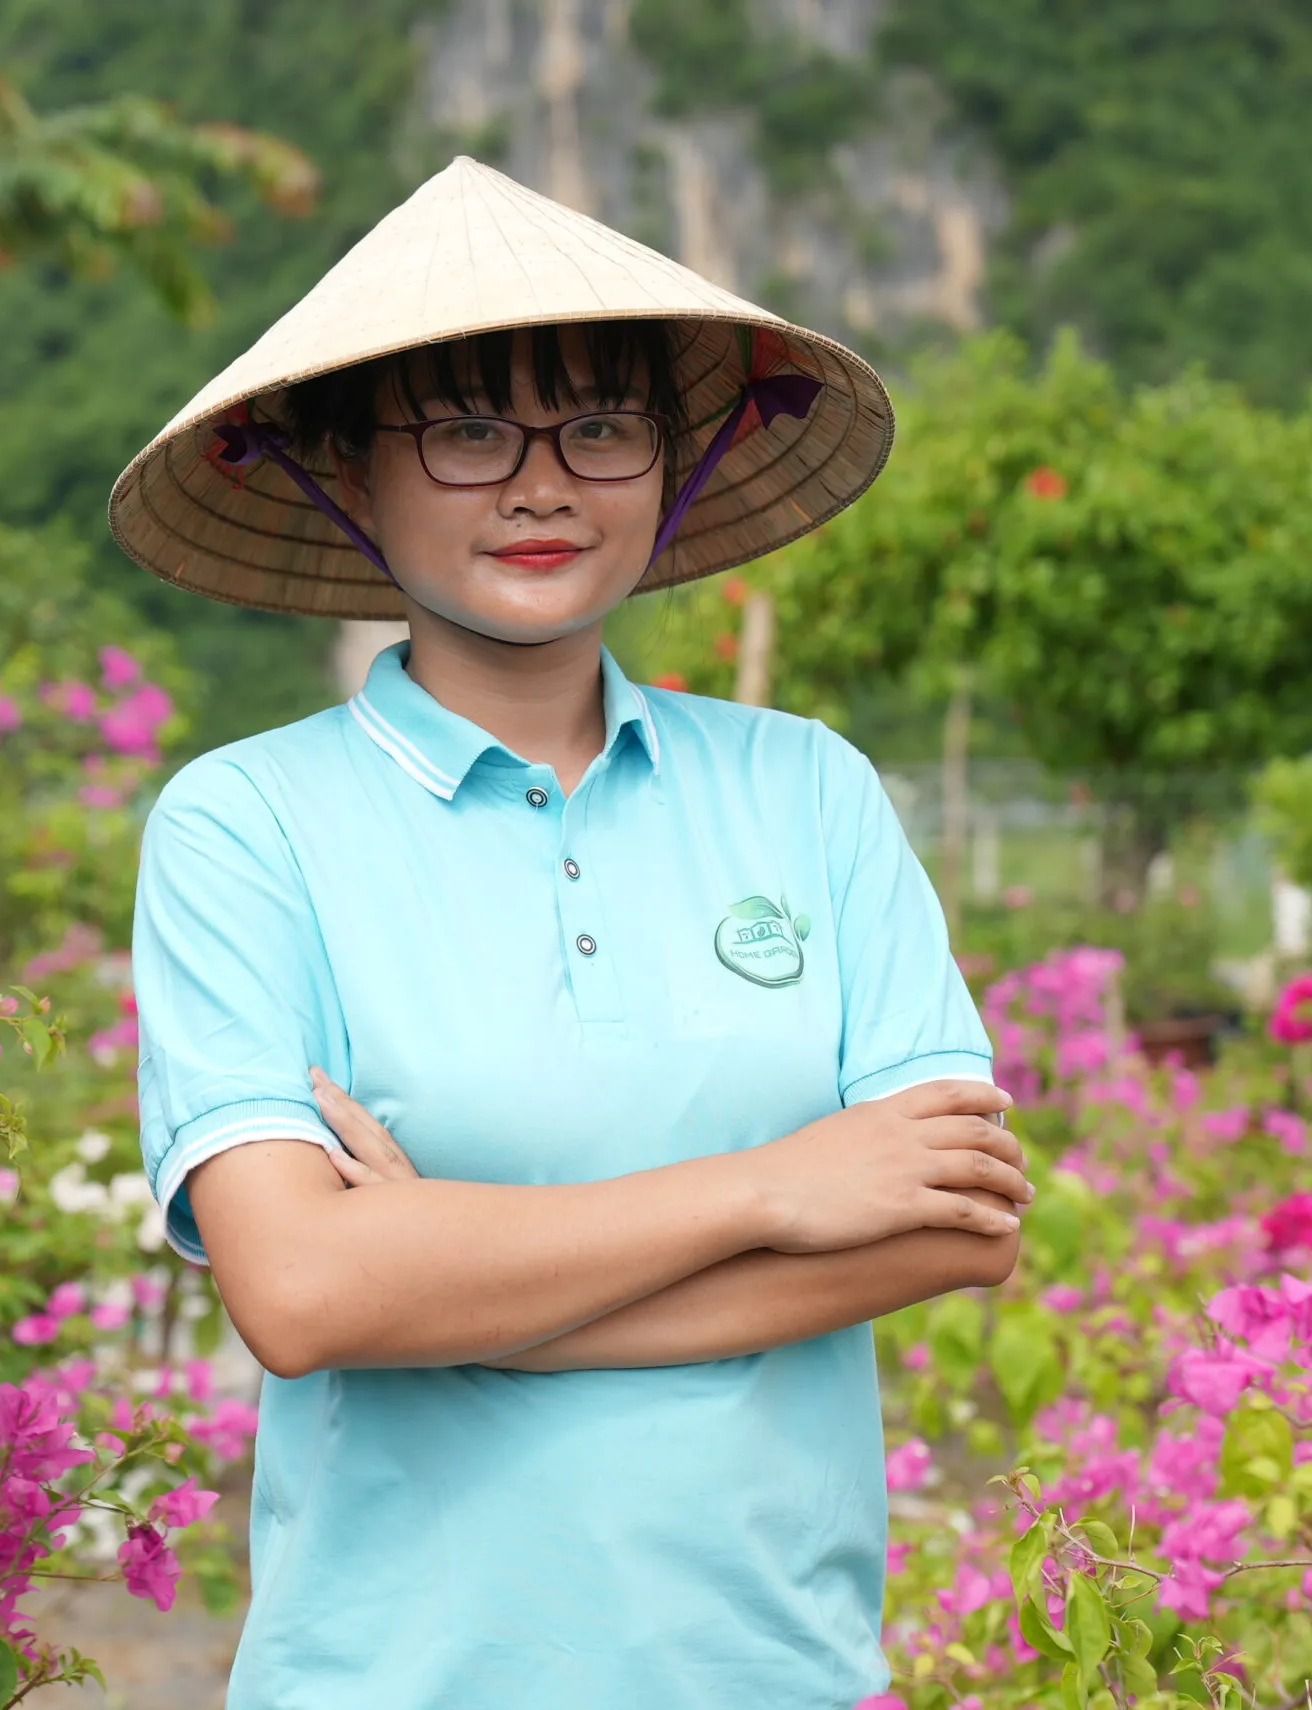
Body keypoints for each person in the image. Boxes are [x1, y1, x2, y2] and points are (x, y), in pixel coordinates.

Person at [108, 156, 1029, 1708]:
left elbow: (955, 1220)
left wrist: (463, 1298)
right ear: (348, 465)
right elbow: (307, 1294)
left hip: (776, 1672)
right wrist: (777, 1186)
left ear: (670, 457)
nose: (543, 484)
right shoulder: (245, 825)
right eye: (468, 430)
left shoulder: (805, 786)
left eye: (599, 425)